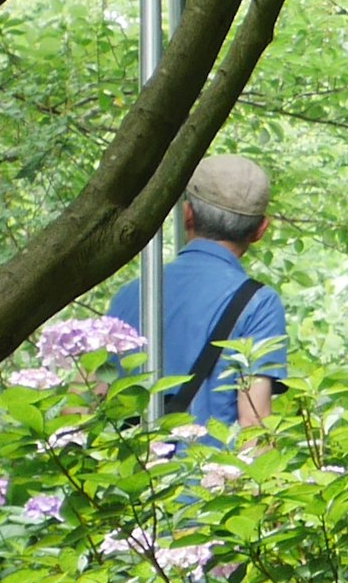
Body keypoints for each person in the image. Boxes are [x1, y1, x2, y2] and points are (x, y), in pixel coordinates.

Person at [109, 152, 290, 432]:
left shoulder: (129, 296)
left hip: (128, 471)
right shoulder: (258, 304)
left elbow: (84, 401)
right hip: (210, 471)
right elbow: (254, 422)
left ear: (186, 215)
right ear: (260, 230)